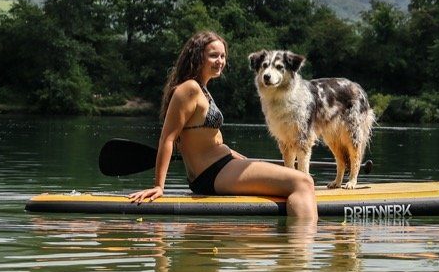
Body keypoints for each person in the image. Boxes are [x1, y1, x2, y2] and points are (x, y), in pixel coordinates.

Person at [128, 30, 319, 221]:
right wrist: (159, 186)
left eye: (222, 56)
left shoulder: (203, 91)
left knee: (293, 175)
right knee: (302, 181)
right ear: (197, 57)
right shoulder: (189, 89)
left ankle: (290, 237)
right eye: (213, 55)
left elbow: (211, 141)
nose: (220, 60)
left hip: (224, 164)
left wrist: (244, 160)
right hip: (212, 173)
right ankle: (301, 247)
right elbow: (167, 138)